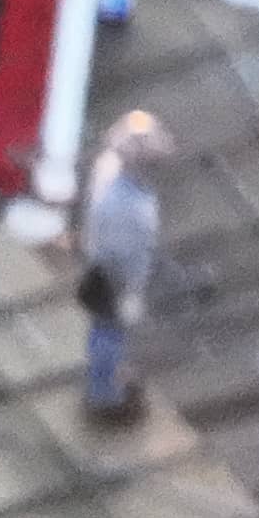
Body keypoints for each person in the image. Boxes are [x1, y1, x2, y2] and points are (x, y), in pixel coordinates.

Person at [78, 110, 168, 426]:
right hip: (115, 278)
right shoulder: (131, 207)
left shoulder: (109, 172)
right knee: (108, 332)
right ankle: (103, 394)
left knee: (103, 330)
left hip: (104, 268)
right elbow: (128, 255)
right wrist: (131, 292)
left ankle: (102, 380)